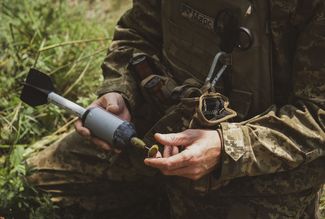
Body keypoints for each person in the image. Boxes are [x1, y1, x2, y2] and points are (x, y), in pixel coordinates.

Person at [27, 0, 325, 218]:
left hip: (256, 172)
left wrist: (227, 146)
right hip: (154, 127)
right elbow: (137, 33)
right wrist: (120, 91)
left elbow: (318, 115)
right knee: (41, 183)